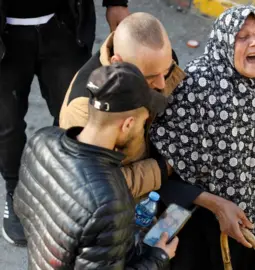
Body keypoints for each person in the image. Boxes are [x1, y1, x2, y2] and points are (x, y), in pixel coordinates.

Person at [149, 5, 255, 270]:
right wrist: (215, 204)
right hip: (208, 238)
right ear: (225, 42)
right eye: (242, 37)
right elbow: (160, 174)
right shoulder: (192, 89)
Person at [13, 63, 179, 269]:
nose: (142, 127)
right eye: (143, 121)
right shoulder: (108, 200)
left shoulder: (42, 140)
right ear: (127, 124)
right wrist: (158, 258)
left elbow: (22, 209)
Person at [0, 0, 129, 246]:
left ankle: (64, 185)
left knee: (73, 114)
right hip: (5, 33)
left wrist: (116, 2)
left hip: (64, 19)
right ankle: (15, 190)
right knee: (6, 127)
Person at [59, 12, 185, 200]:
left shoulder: (156, 62)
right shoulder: (83, 109)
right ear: (117, 62)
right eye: (150, 77)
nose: (161, 84)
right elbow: (96, 186)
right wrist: (164, 168)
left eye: (166, 71)